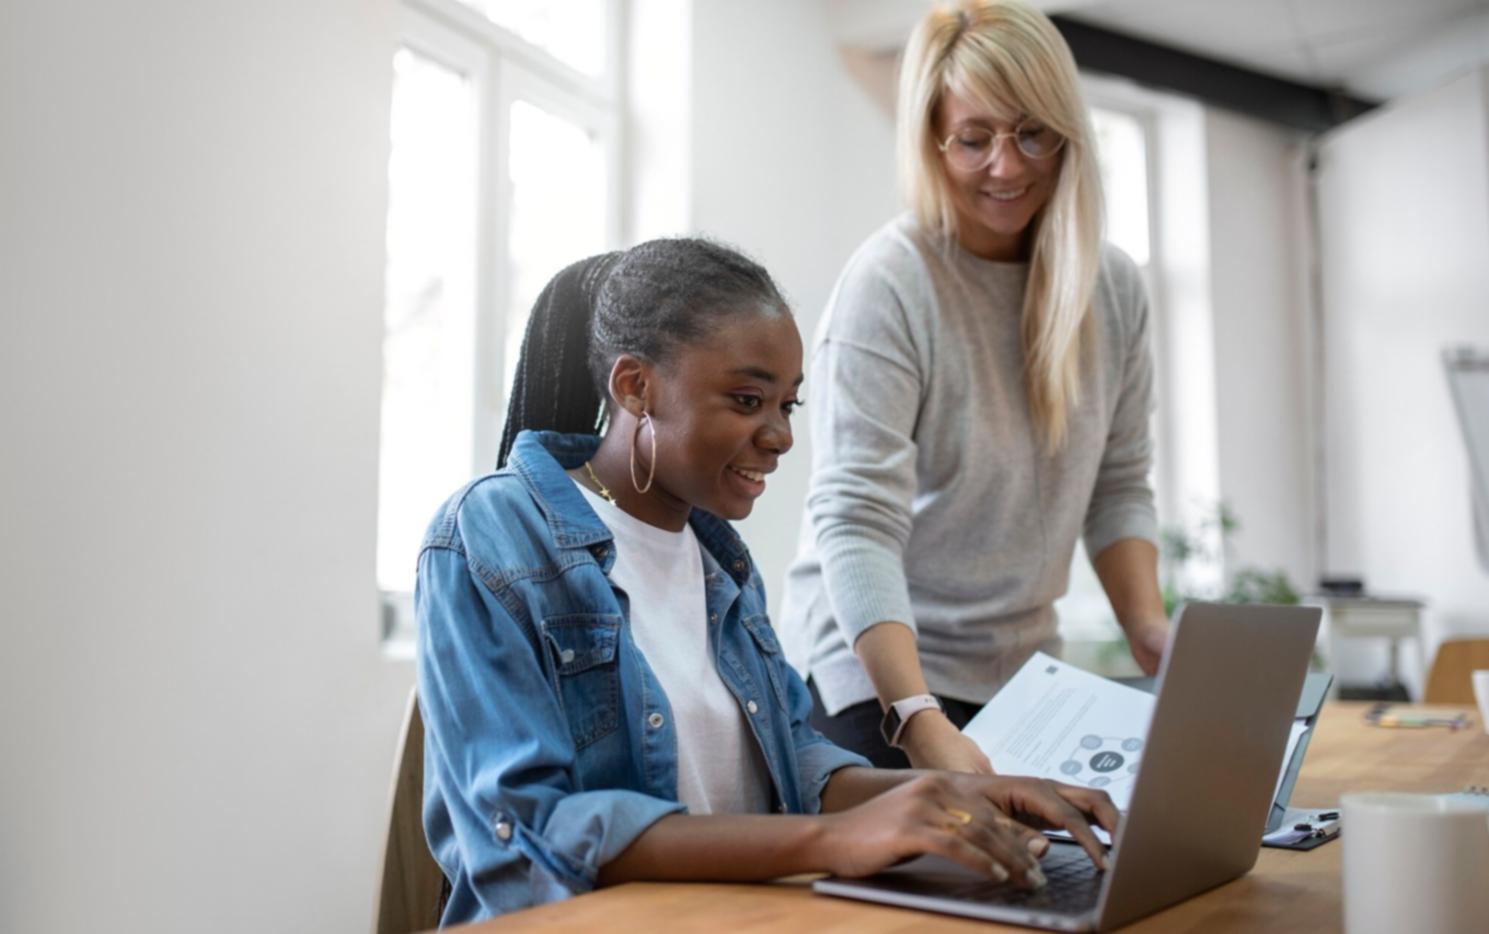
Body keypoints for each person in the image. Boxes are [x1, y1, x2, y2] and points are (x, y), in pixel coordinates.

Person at [415, 238, 1118, 924]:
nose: (780, 435)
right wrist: (832, 841)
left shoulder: (718, 557)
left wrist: (962, 795)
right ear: (636, 387)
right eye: (748, 400)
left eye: (788, 405)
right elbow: (530, 829)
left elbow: (798, 759)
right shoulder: (490, 533)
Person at [779, 0, 1170, 772]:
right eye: (973, 139)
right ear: (930, 141)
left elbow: (1118, 485)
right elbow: (855, 522)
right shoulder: (889, 285)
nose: (1008, 165)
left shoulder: (1110, 287)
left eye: (1032, 133)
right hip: (876, 672)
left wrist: (1149, 628)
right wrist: (918, 718)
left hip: (1021, 674)